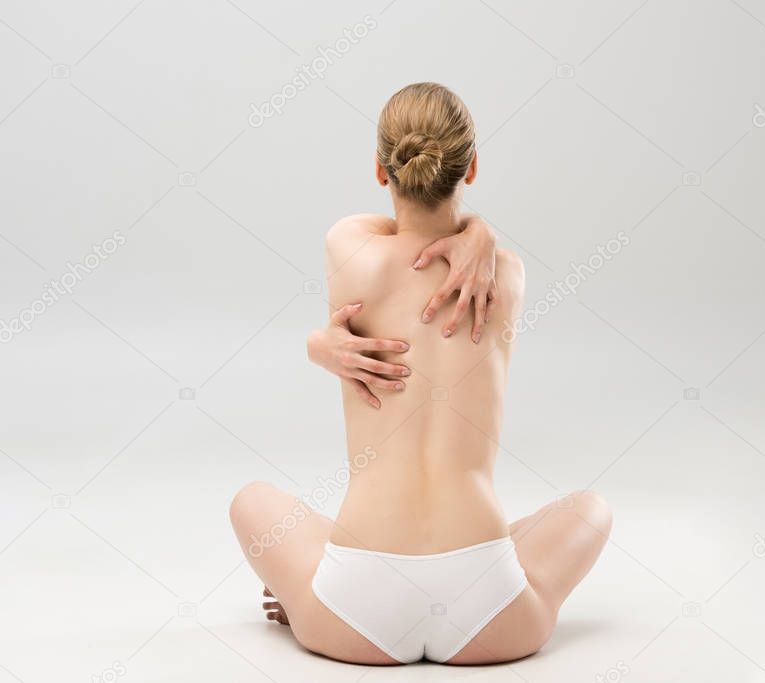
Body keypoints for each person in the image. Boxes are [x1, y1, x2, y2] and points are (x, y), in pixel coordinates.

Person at [229, 82, 611, 665]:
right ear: (473, 166)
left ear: (382, 172)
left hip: (353, 610)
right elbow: (460, 229)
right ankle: (465, 565)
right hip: (491, 609)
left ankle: (312, 595)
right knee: (593, 508)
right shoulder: (506, 274)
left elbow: (392, 233)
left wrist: (316, 343)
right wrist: (480, 229)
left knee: (251, 499)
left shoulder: (348, 246)